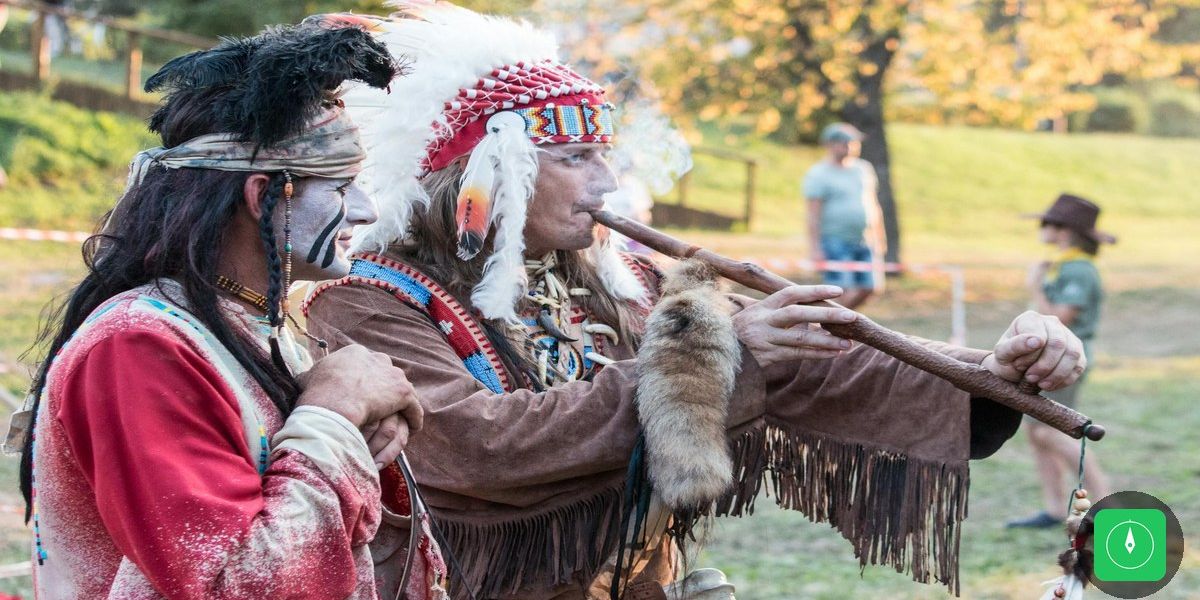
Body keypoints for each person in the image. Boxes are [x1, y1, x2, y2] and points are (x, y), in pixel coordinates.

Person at [303, 4, 1088, 598]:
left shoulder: (614, 281)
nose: (607, 185)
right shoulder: (368, 303)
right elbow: (473, 446)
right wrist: (718, 356)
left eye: (605, 157)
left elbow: (807, 371)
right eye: (576, 158)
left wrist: (990, 369)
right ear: (490, 178)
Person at [10, 22, 426, 598]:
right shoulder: (137, 347)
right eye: (340, 186)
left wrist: (349, 424)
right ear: (261, 197)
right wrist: (332, 414)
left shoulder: (243, 321)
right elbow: (233, 584)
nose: (365, 211)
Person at [1007, 193, 1114, 529]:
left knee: (1055, 434)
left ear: (1065, 231)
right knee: (1038, 433)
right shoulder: (1066, 265)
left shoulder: (1080, 270)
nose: (1041, 229)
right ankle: (1054, 508)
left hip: (1066, 361)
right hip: (1050, 359)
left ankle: (1105, 502)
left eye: (1046, 223)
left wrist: (1035, 285)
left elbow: (1058, 318)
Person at [802, 122, 886, 309]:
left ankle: (839, 323)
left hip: (864, 240)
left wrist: (880, 237)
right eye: (845, 142)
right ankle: (835, 326)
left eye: (854, 142)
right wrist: (815, 247)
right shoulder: (818, 174)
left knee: (871, 287)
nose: (850, 146)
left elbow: (873, 204)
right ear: (830, 145)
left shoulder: (863, 169)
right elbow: (813, 213)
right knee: (840, 290)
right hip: (834, 240)